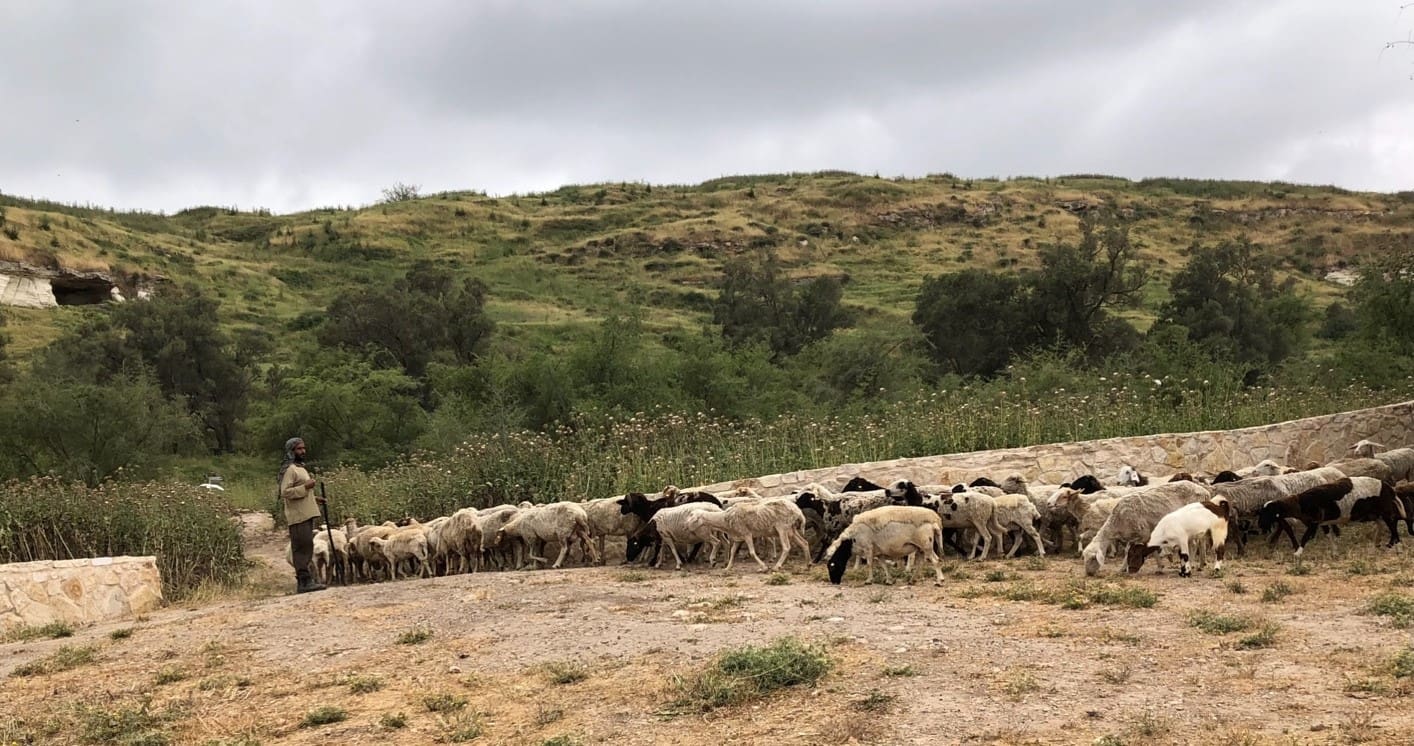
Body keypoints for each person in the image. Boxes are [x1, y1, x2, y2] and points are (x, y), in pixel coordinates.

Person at [278, 437, 327, 593]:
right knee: (300, 548)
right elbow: (285, 492)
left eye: (303, 448)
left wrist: (315, 498)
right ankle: (303, 582)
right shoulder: (290, 470)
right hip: (297, 516)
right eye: (299, 449)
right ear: (291, 451)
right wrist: (306, 487)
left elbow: (302, 491)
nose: (303, 451)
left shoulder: (300, 468)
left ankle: (307, 580)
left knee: (307, 546)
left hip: (306, 513)